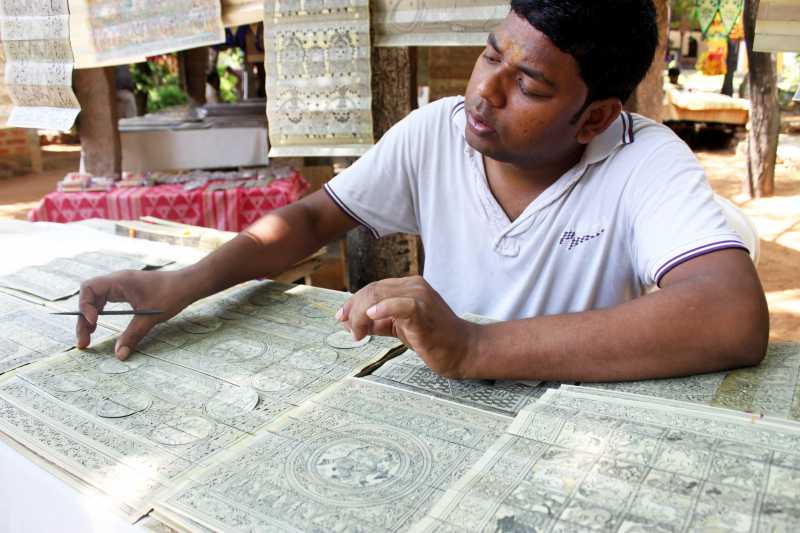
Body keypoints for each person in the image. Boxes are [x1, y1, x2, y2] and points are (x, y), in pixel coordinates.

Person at [77, 0, 768, 383]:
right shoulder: (437, 132)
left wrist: (474, 347)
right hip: (439, 402)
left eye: (528, 84)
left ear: (594, 117)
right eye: (490, 54)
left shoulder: (642, 158)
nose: (484, 92)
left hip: (571, 421)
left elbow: (729, 316)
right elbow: (313, 218)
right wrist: (183, 282)